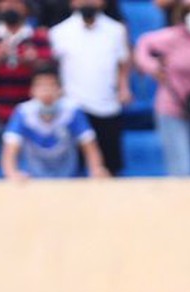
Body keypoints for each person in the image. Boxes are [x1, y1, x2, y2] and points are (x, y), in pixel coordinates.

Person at [49, 0, 131, 176]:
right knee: (72, 169)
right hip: (72, 106)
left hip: (107, 105)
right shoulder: (59, 32)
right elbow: (53, 67)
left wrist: (124, 88)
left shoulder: (116, 30)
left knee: (110, 168)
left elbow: (123, 64)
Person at [0, 0, 53, 160]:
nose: (10, 6)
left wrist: (33, 62)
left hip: (30, 116)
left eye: (16, 3)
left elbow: (50, 76)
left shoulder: (39, 37)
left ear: (26, 8)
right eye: (5, 3)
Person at [1, 66, 111, 179]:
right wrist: (12, 173)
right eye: (41, 86)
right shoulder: (23, 113)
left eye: (51, 85)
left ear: (60, 90)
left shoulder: (72, 111)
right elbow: (10, 151)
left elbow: (90, 146)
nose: (46, 91)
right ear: (32, 91)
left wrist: (96, 169)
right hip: (33, 181)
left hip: (69, 180)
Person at [134, 0, 190, 176]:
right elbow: (143, 44)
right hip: (173, 108)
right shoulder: (172, 37)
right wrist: (153, 67)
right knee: (181, 169)